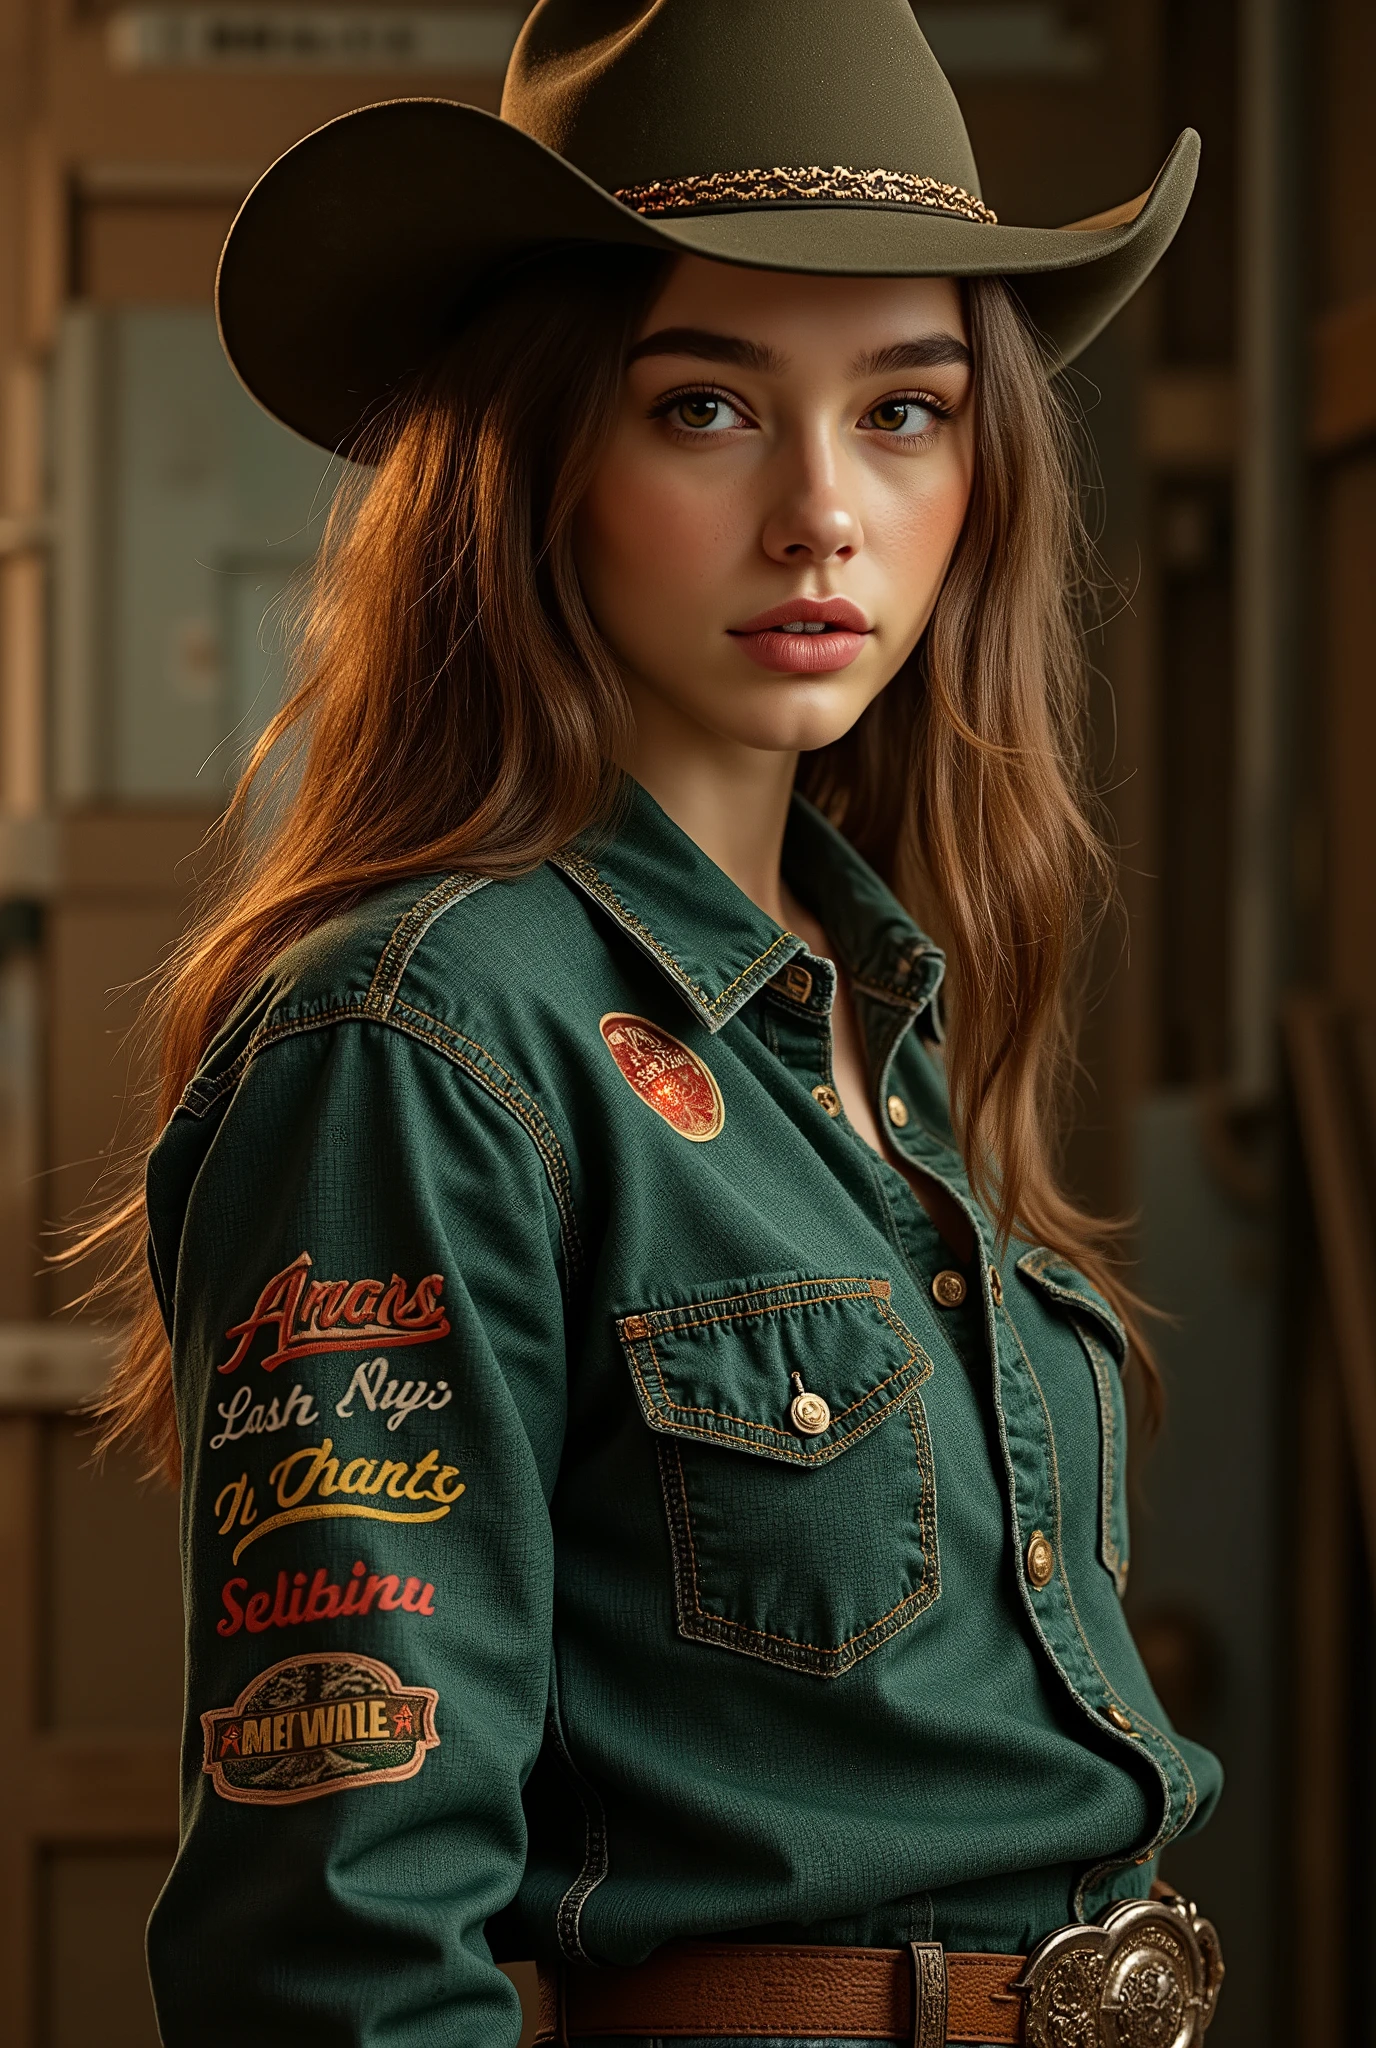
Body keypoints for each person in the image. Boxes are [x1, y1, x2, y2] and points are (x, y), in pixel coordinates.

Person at [88, 3, 1225, 2042]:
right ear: (530, 451)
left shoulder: (887, 1004)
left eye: (904, 408)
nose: (822, 511)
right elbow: (335, 1957)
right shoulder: (419, 1040)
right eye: (702, 407)